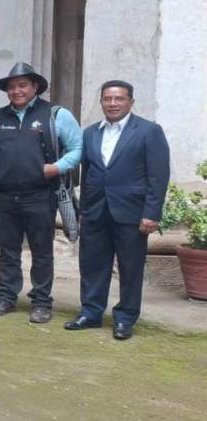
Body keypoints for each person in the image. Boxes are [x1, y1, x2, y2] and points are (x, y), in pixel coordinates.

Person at [65, 81, 170, 340]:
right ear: (101, 102)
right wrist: (83, 210)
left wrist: (152, 214)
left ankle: (125, 318)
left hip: (132, 213)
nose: (113, 103)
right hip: (96, 212)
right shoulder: (90, 133)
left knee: (130, 267)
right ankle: (90, 313)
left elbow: (158, 176)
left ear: (131, 102)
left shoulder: (149, 131)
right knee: (92, 265)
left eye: (119, 99)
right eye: (107, 99)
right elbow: (88, 173)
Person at [0, 62, 82, 324]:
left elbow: (77, 148)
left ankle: (41, 302)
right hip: (4, 196)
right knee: (8, 251)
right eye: (12, 86)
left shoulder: (55, 114)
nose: (16, 90)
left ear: (35, 87)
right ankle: (6, 297)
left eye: (22, 85)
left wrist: (57, 167)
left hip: (41, 195)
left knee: (41, 251)